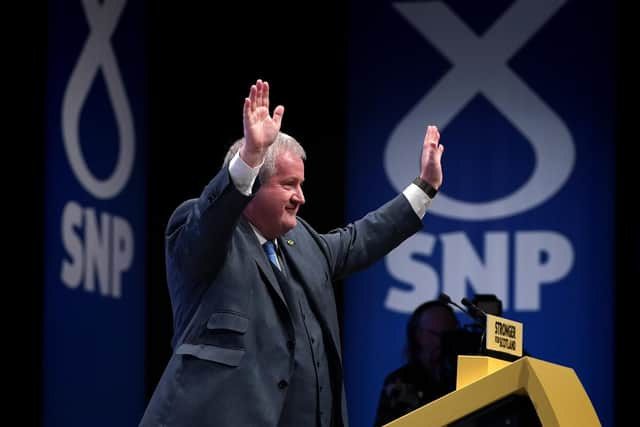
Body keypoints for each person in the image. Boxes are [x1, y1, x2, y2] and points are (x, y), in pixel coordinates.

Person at [139, 79, 445, 427]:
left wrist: (425, 188)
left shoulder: (304, 243)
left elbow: (362, 239)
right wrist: (249, 158)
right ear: (252, 186)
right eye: (288, 185)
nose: (301, 197)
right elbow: (212, 216)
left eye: (301, 185)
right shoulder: (205, 235)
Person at [374, 300, 460, 426]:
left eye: (448, 335)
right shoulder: (399, 381)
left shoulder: (463, 379)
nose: (441, 342)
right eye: (435, 334)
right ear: (417, 335)